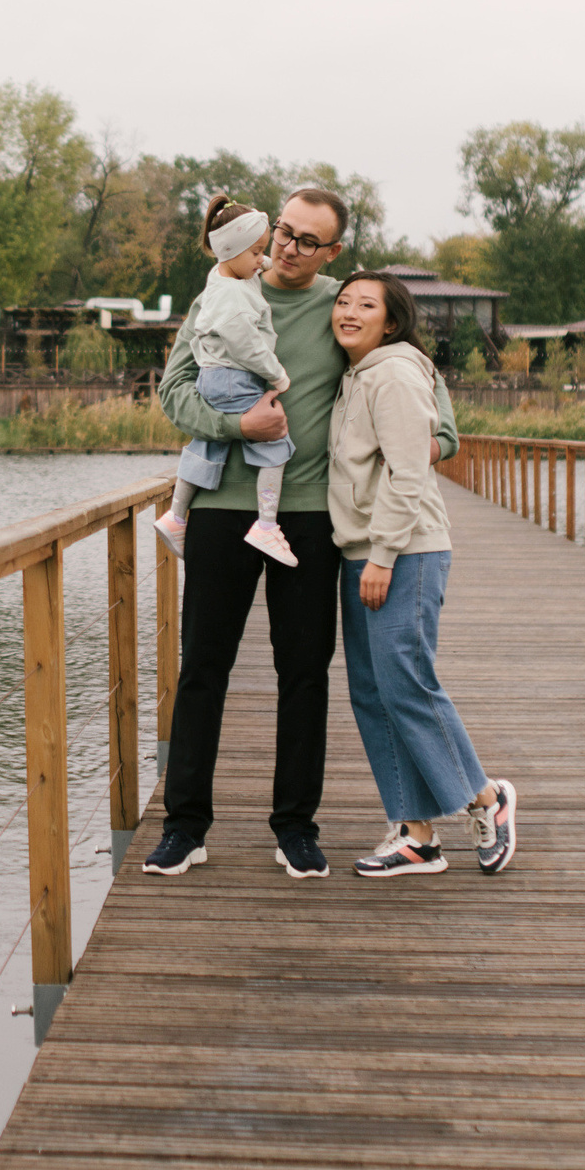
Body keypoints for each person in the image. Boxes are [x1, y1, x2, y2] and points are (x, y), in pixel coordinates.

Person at [140, 186, 457, 883]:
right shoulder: (222, 291)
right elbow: (174, 392)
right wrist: (236, 425)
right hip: (222, 507)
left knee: (305, 673)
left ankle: (295, 828)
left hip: (312, 516)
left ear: (332, 251)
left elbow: (439, 416)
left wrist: (408, 453)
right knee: (203, 668)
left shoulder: (346, 308)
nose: (287, 247)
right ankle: (184, 827)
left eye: (307, 240)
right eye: (282, 231)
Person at [325, 270, 518, 879]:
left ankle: (486, 799)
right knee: (372, 693)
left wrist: (383, 554)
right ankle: (416, 834)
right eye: (343, 301)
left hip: (403, 551)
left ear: (392, 322)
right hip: (362, 549)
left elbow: (410, 470)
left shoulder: (395, 374)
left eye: (366, 305)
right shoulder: (357, 374)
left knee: (406, 684)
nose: (349, 312)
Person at [155, 194, 298, 569]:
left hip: (214, 377)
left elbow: (249, 263)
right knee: (275, 445)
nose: (261, 260)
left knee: (207, 444)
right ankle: (266, 525)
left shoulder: (223, 275)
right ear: (232, 250)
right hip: (235, 377)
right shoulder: (233, 296)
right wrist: (277, 375)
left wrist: (263, 261)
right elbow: (247, 346)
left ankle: (176, 515)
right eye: (257, 252)